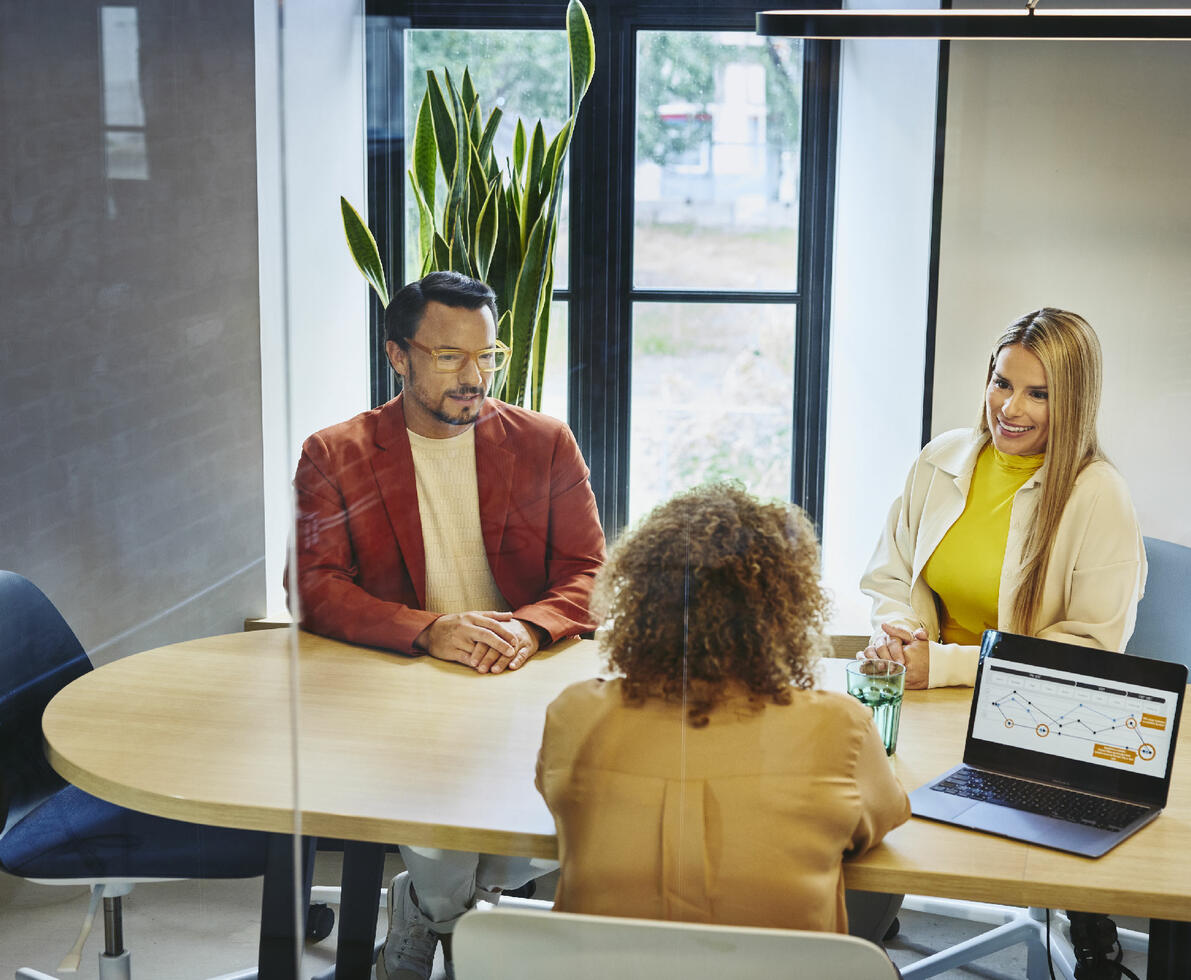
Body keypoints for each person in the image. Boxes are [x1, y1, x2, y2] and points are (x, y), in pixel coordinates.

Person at [289, 271, 606, 980]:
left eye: (486, 356)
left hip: (521, 679)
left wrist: (527, 629)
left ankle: (428, 916)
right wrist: (428, 631)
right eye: (448, 357)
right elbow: (311, 588)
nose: (474, 377)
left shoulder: (544, 442)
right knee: (443, 806)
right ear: (398, 355)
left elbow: (588, 569)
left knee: (541, 819)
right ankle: (463, 935)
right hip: (405, 683)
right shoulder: (334, 453)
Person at [536, 483, 910, 939]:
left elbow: (560, 801)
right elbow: (879, 823)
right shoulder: (840, 727)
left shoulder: (575, 714)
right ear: (787, 610)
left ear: (640, 602)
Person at [860, 307, 1147, 690]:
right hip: (923, 687)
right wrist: (899, 639)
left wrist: (947, 666)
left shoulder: (1100, 493)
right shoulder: (940, 458)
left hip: (1028, 704)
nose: (1011, 408)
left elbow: (1091, 651)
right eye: (1002, 383)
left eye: (1039, 394)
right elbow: (891, 576)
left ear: (1073, 401)